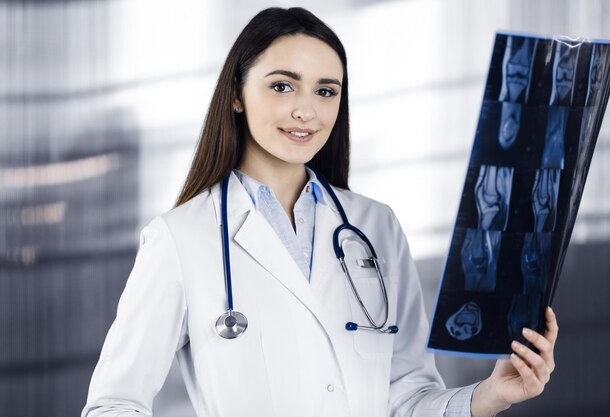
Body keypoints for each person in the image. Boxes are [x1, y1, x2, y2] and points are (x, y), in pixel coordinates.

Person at [81, 7, 558, 417]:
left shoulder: (376, 227)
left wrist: (490, 396)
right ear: (235, 94)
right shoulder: (181, 237)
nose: (306, 111)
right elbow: (113, 403)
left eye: (326, 91)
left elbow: (408, 398)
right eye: (283, 86)